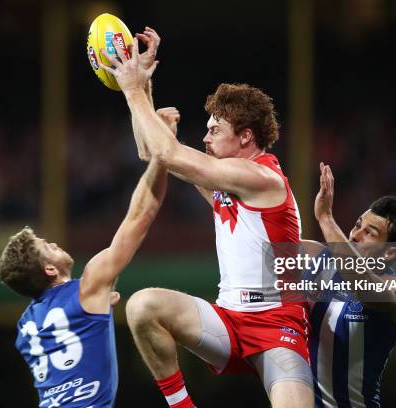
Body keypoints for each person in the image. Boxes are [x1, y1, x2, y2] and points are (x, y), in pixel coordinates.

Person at [100, 34, 314, 408]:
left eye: (215, 130)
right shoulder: (225, 180)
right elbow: (153, 152)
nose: (205, 137)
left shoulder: (262, 178)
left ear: (246, 136)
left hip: (278, 327)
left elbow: (166, 150)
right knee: (142, 306)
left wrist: (132, 88)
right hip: (228, 321)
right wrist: (144, 86)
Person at [0, 28, 171, 407]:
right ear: (48, 271)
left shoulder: (25, 327)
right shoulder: (90, 285)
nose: (55, 244)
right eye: (47, 247)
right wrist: (163, 154)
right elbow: (143, 212)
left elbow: (70, 330)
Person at [303, 162, 396, 407]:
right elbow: (260, 238)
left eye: (369, 233)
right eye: (358, 225)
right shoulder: (316, 258)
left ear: (390, 252)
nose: (354, 235)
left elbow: (366, 290)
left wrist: (326, 218)